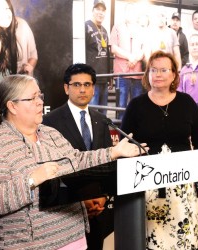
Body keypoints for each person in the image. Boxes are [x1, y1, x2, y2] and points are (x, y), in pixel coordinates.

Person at [0, 74, 148, 249]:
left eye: (39, 96)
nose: (40, 102)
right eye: (32, 98)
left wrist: (113, 152)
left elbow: (77, 160)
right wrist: (31, 180)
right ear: (12, 106)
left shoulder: (51, 133)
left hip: (74, 238)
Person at [120, 50, 198, 249]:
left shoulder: (187, 103)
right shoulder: (136, 105)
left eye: (163, 70)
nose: (157, 74)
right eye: (153, 70)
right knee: (154, 241)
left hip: (183, 184)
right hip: (148, 187)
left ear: (174, 75)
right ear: (147, 74)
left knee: (183, 241)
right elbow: (124, 146)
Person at [43, 63, 114, 250]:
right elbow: (53, 169)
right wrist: (81, 200)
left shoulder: (101, 119)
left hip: (98, 210)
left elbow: (108, 163)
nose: (82, 89)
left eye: (87, 84)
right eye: (76, 85)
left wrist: (103, 196)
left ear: (93, 88)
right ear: (66, 88)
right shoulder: (50, 121)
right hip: (67, 211)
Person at [110, 2, 144, 120]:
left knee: (138, 106)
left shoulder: (141, 29)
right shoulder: (117, 27)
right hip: (122, 74)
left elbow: (144, 49)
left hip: (137, 74)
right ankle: (122, 135)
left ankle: (136, 135)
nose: (131, 14)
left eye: (133, 11)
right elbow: (113, 48)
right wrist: (130, 57)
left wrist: (135, 59)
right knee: (121, 106)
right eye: (128, 11)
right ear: (125, 13)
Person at [85, 0, 110, 114]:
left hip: (104, 77)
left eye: (103, 10)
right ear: (92, 10)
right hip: (92, 78)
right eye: (97, 9)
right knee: (93, 112)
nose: (100, 13)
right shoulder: (86, 27)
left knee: (103, 113)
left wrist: (110, 76)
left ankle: (102, 132)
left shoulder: (104, 30)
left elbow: (108, 53)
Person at [144, 7, 181, 71]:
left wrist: (178, 71)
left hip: (169, 70)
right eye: (159, 16)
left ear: (166, 18)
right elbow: (147, 55)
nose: (161, 18)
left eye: (163, 16)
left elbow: (177, 55)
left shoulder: (172, 33)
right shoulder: (150, 33)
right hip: (155, 70)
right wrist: (151, 69)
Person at [178, 34, 198, 117]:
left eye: (197, 44)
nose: (194, 47)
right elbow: (179, 93)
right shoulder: (184, 71)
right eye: (192, 45)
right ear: (189, 47)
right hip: (188, 117)